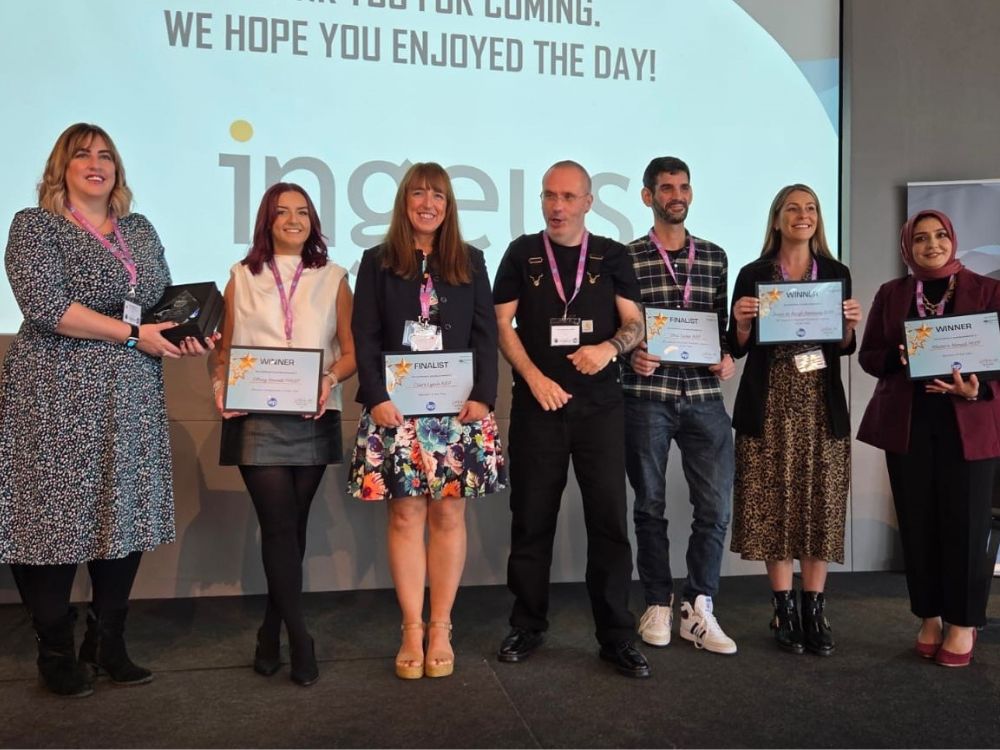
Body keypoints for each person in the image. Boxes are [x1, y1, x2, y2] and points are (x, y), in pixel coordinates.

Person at [0, 123, 215, 697]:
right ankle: (54, 648)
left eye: (105, 156)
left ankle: (108, 641)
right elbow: (46, 306)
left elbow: (164, 303)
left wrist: (186, 334)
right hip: (54, 393)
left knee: (123, 516)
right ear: (61, 168)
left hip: (130, 394)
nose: (96, 164)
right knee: (50, 520)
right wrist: (130, 334)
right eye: (82, 155)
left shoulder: (139, 230)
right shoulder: (34, 226)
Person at [493, 160, 651, 678]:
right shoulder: (521, 252)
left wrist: (609, 348)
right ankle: (528, 623)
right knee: (532, 519)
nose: (556, 206)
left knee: (609, 521)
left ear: (587, 202)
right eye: (548, 196)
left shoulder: (612, 254)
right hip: (539, 406)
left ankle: (616, 635)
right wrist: (535, 378)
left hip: (601, 409)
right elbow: (500, 323)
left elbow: (635, 322)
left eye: (567, 197)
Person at [348, 162, 506, 680]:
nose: (428, 203)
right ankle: (411, 627)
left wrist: (485, 395)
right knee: (404, 516)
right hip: (395, 411)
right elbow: (365, 335)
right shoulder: (376, 262)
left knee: (448, 516)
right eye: (418, 194)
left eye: (438, 195)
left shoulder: (472, 260)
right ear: (403, 202)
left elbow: (485, 333)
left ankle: (442, 626)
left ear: (449, 205)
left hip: (459, 413)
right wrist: (373, 396)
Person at [211, 182, 356, 686]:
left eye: (302, 212)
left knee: (293, 527)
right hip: (256, 417)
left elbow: (352, 352)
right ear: (266, 221)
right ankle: (300, 637)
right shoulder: (240, 277)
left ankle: (270, 630)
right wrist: (218, 383)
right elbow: (224, 351)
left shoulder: (334, 277)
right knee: (277, 525)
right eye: (282, 212)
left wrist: (329, 379)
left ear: (313, 221)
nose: (293, 220)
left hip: (313, 415)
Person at [857, 210, 1000, 667]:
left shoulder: (989, 290)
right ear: (907, 246)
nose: (932, 245)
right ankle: (930, 616)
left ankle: (963, 623)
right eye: (921, 238)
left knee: (967, 525)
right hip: (910, 424)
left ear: (953, 240)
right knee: (918, 526)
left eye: (940, 236)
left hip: (970, 423)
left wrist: (979, 387)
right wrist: (897, 359)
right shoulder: (892, 293)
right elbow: (869, 356)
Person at [728, 184, 862, 656]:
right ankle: (783, 607)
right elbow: (736, 346)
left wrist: (848, 328)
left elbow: (844, 348)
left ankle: (815, 608)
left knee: (820, 503)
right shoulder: (753, 273)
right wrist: (743, 322)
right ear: (777, 219)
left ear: (818, 219)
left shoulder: (837, 273)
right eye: (792, 208)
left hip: (820, 403)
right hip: (769, 402)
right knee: (773, 503)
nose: (802, 215)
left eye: (810, 208)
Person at [622, 157, 737, 655]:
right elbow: (620, 330)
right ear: (648, 196)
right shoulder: (624, 259)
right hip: (648, 397)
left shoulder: (714, 257)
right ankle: (657, 602)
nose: (677, 195)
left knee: (714, 507)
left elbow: (720, 328)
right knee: (650, 506)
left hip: (705, 398)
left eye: (683, 187)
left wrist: (727, 355)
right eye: (666, 187)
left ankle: (700, 604)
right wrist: (632, 355)